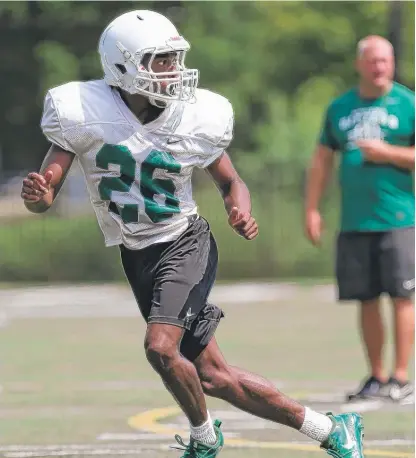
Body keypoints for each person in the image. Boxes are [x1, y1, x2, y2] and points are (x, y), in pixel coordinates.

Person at [21, 10, 364, 458]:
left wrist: (238, 209)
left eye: (174, 58)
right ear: (122, 66)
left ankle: (204, 440)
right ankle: (331, 430)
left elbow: (230, 181)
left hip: (185, 243)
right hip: (137, 253)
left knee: (160, 349)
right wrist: (38, 194)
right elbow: (45, 195)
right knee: (212, 376)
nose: (173, 70)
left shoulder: (194, 115)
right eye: (160, 60)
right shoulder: (83, 112)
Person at [305, 35, 415, 403]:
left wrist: (389, 153)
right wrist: (312, 208)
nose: (380, 67)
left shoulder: (407, 104)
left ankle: (401, 376)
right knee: (365, 299)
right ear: (360, 64)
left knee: (402, 297)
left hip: (400, 219)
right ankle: (377, 376)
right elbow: (322, 159)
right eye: (373, 61)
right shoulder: (340, 108)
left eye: (386, 60)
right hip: (354, 222)